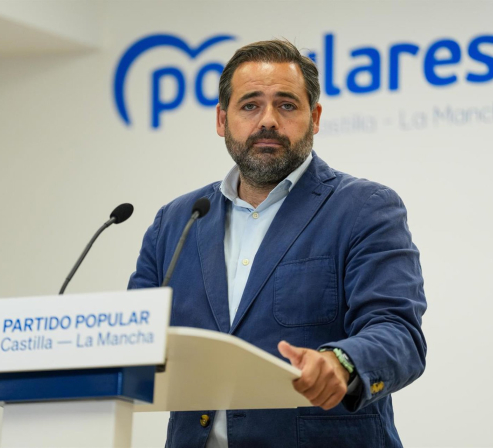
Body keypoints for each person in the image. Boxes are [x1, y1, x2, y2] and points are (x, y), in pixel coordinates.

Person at [128, 39, 426, 448]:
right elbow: (131, 335)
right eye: (250, 105)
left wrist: (341, 362)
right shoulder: (177, 221)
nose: (268, 120)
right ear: (222, 119)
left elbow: (398, 332)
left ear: (314, 118)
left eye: (286, 105)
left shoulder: (364, 208)